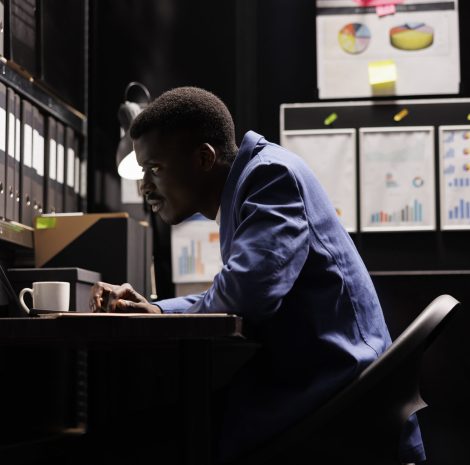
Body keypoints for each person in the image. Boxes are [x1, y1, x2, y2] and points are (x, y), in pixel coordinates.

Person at [90, 86, 425, 464]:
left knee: (145, 439)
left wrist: (163, 311)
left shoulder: (270, 175)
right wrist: (159, 309)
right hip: (317, 383)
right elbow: (238, 285)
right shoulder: (252, 181)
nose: (144, 186)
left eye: (154, 169)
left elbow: (246, 292)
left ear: (203, 157)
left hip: (337, 396)